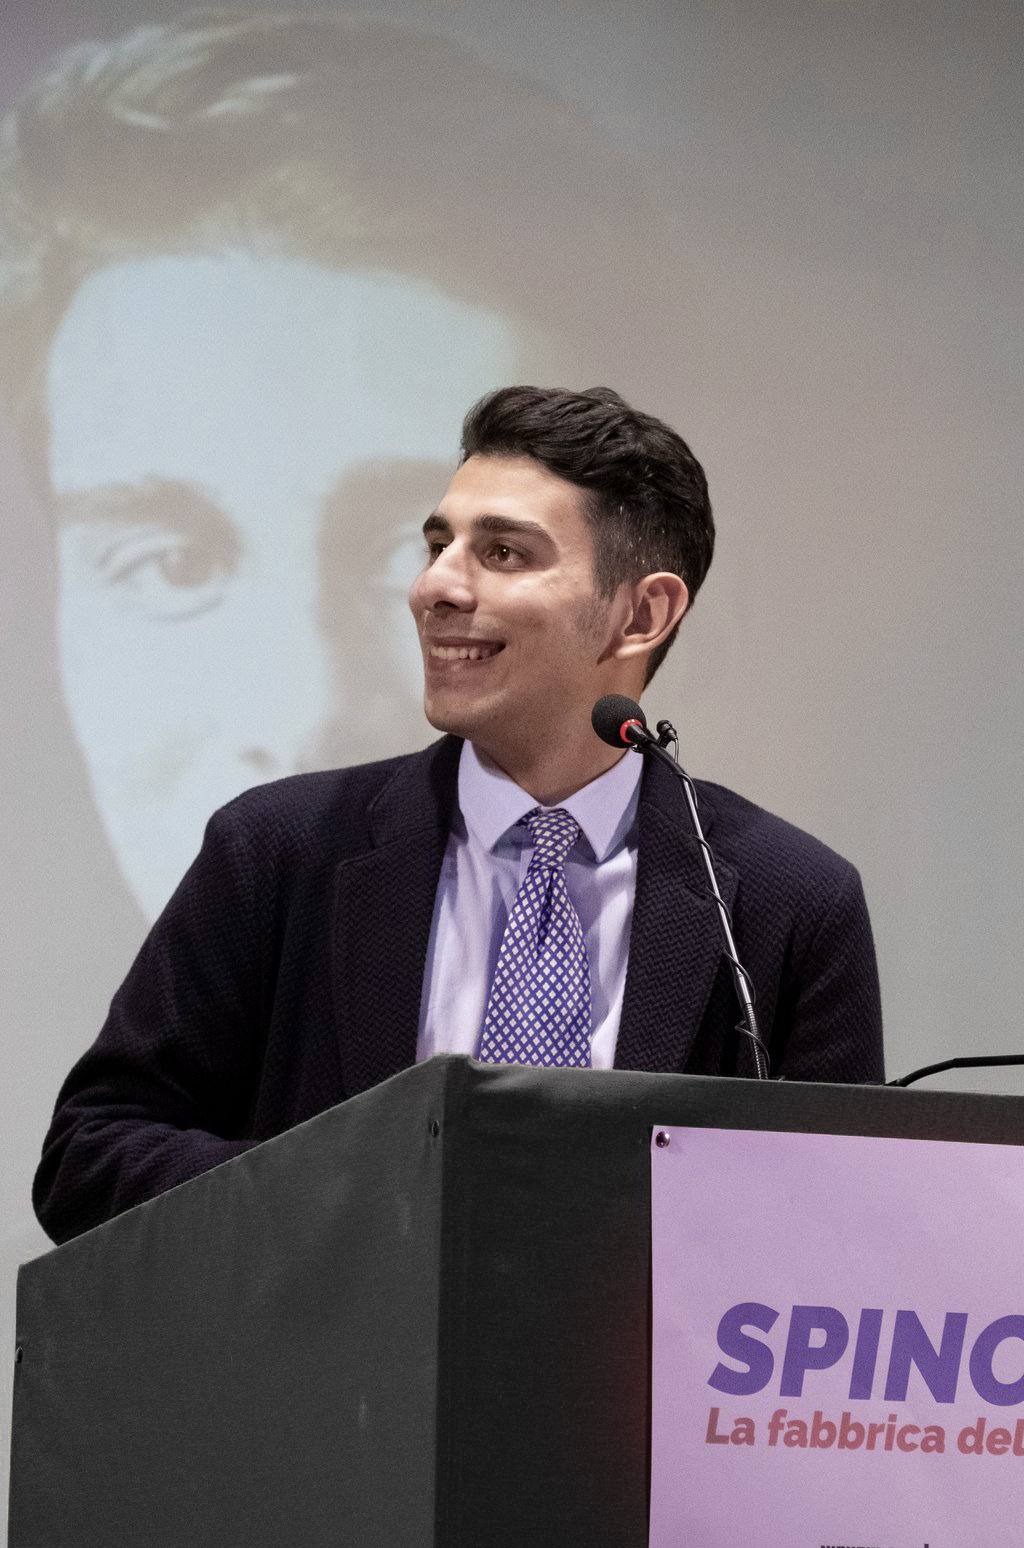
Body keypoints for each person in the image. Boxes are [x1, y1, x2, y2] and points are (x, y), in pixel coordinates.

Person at [34, 385, 883, 1244]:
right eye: (439, 545)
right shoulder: (276, 849)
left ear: (641, 613)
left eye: (503, 552)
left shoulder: (788, 903)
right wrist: (358, 1198)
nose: (433, 586)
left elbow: (844, 1232)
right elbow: (89, 1157)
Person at [0, 11, 660, 920]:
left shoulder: (768, 926)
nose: (301, 712)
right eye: (172, 564)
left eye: (421, 551)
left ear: (635, 619)